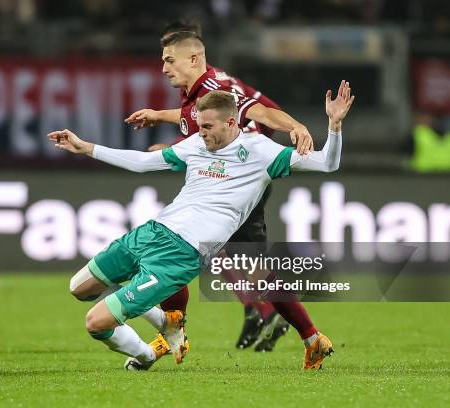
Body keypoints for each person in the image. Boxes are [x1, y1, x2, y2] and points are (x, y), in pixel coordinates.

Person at [50, 81, 355, 370]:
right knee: (80, 288)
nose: (201, 134)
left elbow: (327, 163)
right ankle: (168, 324)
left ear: (232, 123)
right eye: (200, 126)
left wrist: (335, 125)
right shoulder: (196, 143)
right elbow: (142, 163)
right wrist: (86, 147)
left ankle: (146, 353)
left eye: (208, 127)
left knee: (96, 322)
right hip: (152, 231)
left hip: (181, 255)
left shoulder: (263, 152)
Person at [125, 27, 316, 354]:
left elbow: (261, 112)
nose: (163, 68)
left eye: (169, 60)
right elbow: (204, 118)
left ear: (193, 57)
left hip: (237, 181)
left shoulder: (216, 89)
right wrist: (161, 120)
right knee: (222, 255)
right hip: (230, 180)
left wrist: (295, 126)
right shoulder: (206, 88)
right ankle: (278, 319)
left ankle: (270, 316)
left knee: (195, 250)